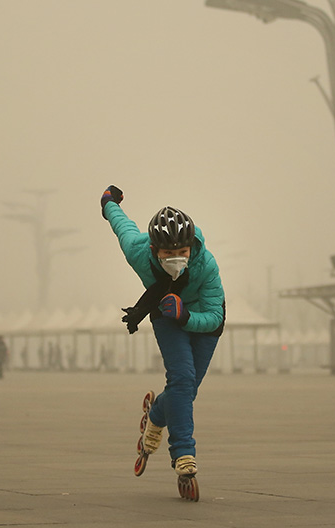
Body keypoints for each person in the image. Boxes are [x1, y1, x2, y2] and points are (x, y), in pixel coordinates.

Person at [101, 185, 224, 497]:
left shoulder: (206, 265)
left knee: (188, 389)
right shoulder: (138, 252)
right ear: (155, 250)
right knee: (182, 380)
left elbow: (214, 316)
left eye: (182, 252)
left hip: (203, 322)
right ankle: (184, 456)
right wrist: (108, 203)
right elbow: (122, 226)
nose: (177, 259)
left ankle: (155, 417)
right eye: (169, 254)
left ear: (190, 246)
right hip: (165, 315)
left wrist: (185, 316)